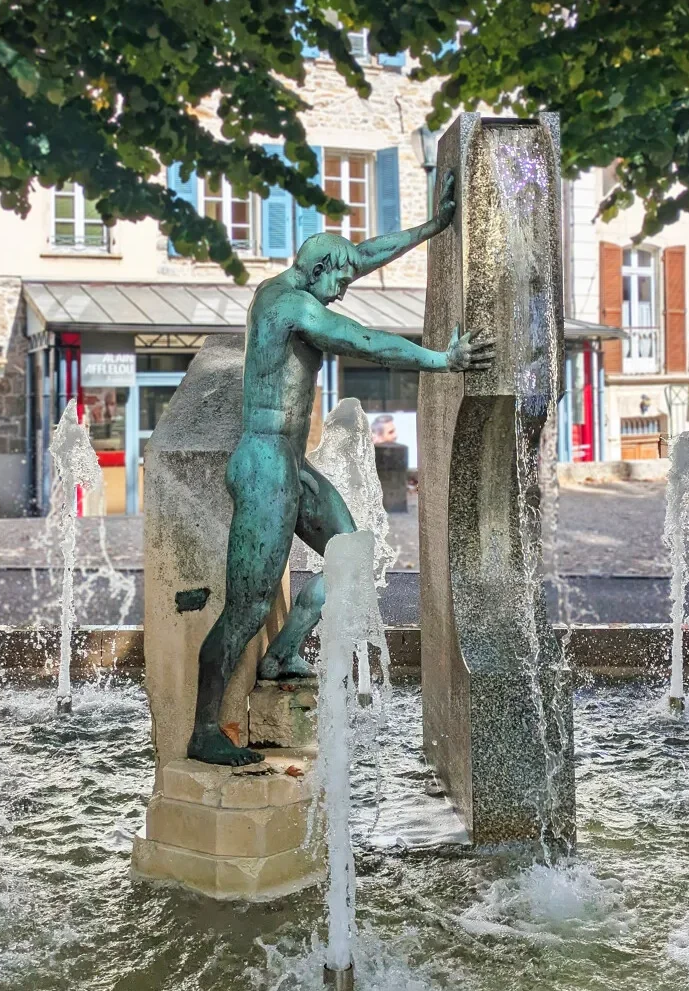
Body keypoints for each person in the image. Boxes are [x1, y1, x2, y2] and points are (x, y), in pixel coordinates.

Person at [189, 170, 495, 765]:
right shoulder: (290, 305)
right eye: (341, 281)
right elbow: (365, 342)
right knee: (246, 606)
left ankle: (281, 655)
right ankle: (203, 729)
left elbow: (366, 255)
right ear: (317, 273)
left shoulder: (301, 278)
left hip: (288, 461)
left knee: (354, 555)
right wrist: (444, 360)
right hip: (263, 467)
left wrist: (433, 227)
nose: (345, 290)